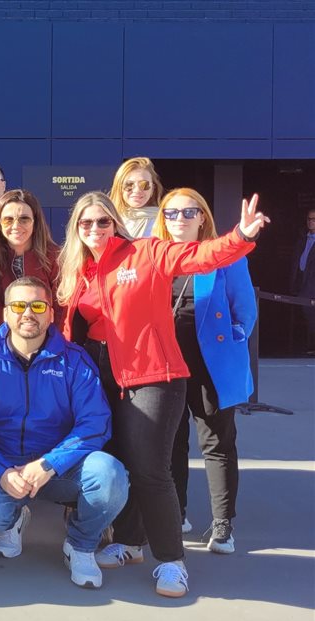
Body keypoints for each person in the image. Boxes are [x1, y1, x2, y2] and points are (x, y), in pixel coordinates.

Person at [58, 191, 268, 598]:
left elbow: (202, 257)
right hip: (102, 380)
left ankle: (172, 561)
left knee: (151, 468)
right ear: (76, 230)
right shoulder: (77, 269)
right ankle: (131, 543)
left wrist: (240, 235)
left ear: (116, 223)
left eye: (103, 222)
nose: (95, 230)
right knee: (119, 460)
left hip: (154, 375)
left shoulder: (146, 252)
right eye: (86, 224)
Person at [0, 277, 129, 588]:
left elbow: (95, 423)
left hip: (58, 468)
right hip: (5, 463)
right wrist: (0, 472)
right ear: (6, 313)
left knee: (110, 475)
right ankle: (12, 520)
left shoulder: (75, 360)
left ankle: (80, 546)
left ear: (51, 313)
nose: (28, 313)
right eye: (19, 306)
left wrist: (49, 464)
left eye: (38, 305)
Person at [159, 189, 256, 552]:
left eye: (188, 212)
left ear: (203, 217)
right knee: (171, 443)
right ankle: (177, 512)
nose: (179, 219)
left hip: (210, 366)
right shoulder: (158, 256)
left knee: (216, 444)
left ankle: (222, 525)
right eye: (171, 213)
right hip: (167, 365)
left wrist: (230, 340)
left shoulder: (225, 256)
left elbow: (244, 311)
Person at [0, 189, 61, 330]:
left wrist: (52, 343)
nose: (16, 226)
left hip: (49, 339)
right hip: (8, 342)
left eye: (24, 219)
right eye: (8, 220)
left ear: (35, 221)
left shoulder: (54, 256)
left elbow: (61, 308)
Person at [110, 157, 163, 239]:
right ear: (119, 188)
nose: (137, 190)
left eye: (144, 185)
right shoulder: (107, 220)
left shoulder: (164, 220)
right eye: (129, 185)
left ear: (153, 188)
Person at [292, 208, 315, 353]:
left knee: (310, 314)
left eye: (314, 219)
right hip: (302, 282)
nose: (311, 222)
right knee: (305, 314)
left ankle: (312, 346)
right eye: (309, 219)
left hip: (313, 284)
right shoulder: (303, 239)